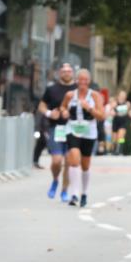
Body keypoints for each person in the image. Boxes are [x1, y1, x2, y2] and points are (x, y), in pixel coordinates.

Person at [60, 69, 105, 207]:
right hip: (72, 129)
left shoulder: (95, 96)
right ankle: (74, 194)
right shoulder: (70, 95)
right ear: (76, 80)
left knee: (85, 165)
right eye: (80, 79)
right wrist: (64, 112)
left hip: (88, 132)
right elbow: (62, 107)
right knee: (74, 158)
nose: (82, 82)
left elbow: (101, 116)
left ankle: (84, 193)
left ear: (89, 81)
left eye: (85, 80)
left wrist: (89, 108)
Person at [38, 63, 77, 201]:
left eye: (69, 71)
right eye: (64, 71)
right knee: (56, 161)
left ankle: (64, 191)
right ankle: (55, 180)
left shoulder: (77, 89)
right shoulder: (52, 89)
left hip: (73, 128)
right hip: (57, 128)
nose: (66, 73)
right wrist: (49, 113)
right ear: (60, 73)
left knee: (68, 161)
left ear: (72, 73)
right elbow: (41, 106)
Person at [110, 90, 131, 155]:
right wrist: (114, 111)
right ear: (118, 95)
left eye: (124, 95)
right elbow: (111, 112)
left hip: (123, 121)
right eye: (121, 95)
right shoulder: (115, 103)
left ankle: (119, 150)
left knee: (121, 136)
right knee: (114, 138)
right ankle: (113, 149)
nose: (122, 96)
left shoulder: (127, 104)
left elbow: (130, 113)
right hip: (116, 121)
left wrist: (130, 112)